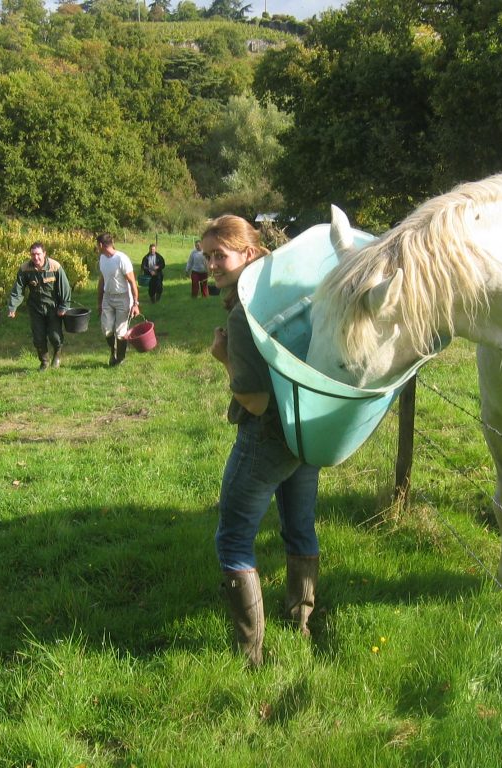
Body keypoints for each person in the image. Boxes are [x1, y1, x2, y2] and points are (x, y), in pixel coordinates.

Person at [203, 215, 321, 668]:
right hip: (305, 427)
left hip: (266, 436)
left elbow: (252, 399)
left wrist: (224, 357)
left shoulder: (241, 313)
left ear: (247, 254)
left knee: (233, 540)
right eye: (207, 254)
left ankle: (249, 656)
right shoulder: (281, 293)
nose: (211, 263)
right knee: (299, 526)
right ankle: (301, 622)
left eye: (221, 255)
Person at [7, 242, 72, 371]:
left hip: (53, 308)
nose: (36, 258)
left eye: (38, 254)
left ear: (44, 254)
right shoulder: (25, 268)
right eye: (33, 254)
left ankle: (57, 355)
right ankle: (44, 362)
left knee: (55, 336)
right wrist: (12, 307)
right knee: (38, 337)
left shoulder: (55, 267)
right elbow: (18, 290)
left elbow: (65, 288)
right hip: (35, 308)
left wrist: (63, 307)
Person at [96, 233, 140, 367]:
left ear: (101, 245)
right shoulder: (102, 258)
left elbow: (132, 282)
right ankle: (113, 351)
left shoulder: (121, 259)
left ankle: (120, 358)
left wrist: (135, 304)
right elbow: (102, 280)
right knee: (106, 329)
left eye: (97, 245)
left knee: (121, 332)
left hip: (123, 297)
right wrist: (99, 302)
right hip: (108, 297)